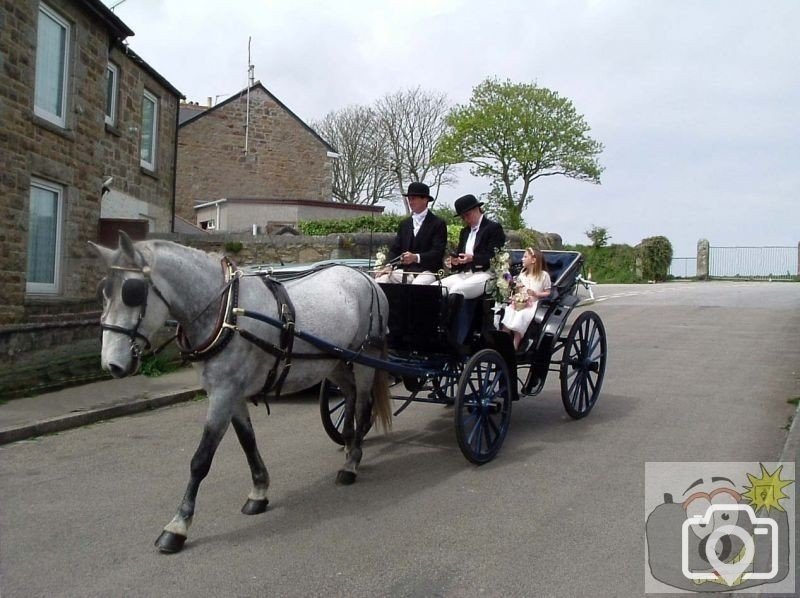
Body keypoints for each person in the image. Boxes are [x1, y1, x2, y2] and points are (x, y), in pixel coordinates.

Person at [436, 193, 506, 299]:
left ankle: (451, 316)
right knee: (434, 288)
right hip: (464, 274)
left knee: (457, 290)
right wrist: (455, 262)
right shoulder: (465, 232)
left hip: (485, 273)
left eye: (467, 215)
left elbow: (493, 256)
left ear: (477, 209)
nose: (466, 220)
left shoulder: (493, 228)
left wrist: (473, 258)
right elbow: (460, 256)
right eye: (463, 217)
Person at [375, 182, 447, 285]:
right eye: (409, 199)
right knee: (381, 280)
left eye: (413, 198)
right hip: (404, 270)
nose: (410, 202)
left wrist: (416, 257)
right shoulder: (404, 224)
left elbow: (437, 252)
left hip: (427, 271)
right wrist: (389, 265)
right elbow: (395, 249)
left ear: (425, 199)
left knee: (416, 286)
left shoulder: (438, 224)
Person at [501, 247, 552, 349]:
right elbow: (518, 289)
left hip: (532, 305)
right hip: (519, 303)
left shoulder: (543, 275)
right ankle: (502, 345)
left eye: (525, 257)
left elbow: (548, 292)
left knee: (521, 316)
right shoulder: (522, 275)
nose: (522, 259)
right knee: (508, 314)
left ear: (533, 260)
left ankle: (514, 348)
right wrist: (516, 293)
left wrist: (536, 293)